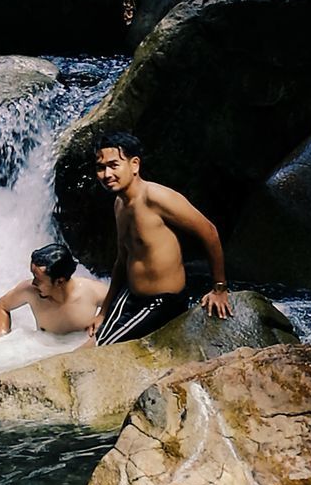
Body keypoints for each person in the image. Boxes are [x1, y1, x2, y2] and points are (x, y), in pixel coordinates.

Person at [87, 131, 233, 345]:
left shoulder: (157, 197)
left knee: (101, 348)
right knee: (91, 342)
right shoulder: (119, 204)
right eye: (101, 168)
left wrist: (219, 288)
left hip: (162, 301)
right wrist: (103, 311)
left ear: (134, 165)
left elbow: (209, 232)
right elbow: (122, 259)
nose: (107, 174)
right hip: (132, 296)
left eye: (114, 165)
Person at [0, 243, 107, 336]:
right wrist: (3, 337)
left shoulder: (91, 291)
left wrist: (102, 315)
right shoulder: (30, 291)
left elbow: (121, 302)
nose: (34, 282)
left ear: (59, 281)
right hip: (44, 352)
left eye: (38, 279)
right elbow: (1, 306)